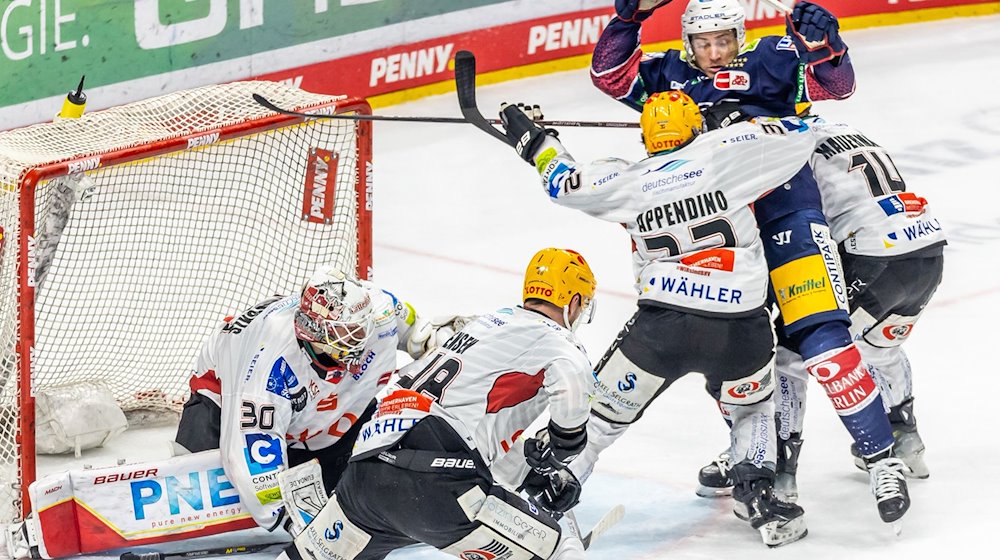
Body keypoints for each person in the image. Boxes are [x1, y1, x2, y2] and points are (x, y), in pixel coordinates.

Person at [594, 0, 910, 525]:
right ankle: (759, 459)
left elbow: (838, 85)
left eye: (723, 41)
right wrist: (627, 21)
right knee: (738, 356)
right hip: (727, 236)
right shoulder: (670, 76)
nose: (715, 53)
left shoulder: (772, 59)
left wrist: (827, 48)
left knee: (822, 338)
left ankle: (882, 459)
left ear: (739, 37)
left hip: (788, 213)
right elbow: (609, 75)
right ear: (689, 43)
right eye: (704, 43)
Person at [497, 91, 816, 546]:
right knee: (751, 408)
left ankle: (543, 504)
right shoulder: (727, 153)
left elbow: (562, 182)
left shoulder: (626, 180)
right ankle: (765, 502)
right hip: (741, 325)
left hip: (663, 328)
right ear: (696, 128)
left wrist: (534, 139)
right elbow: (804, 130)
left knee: (599, 418)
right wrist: (741, 121)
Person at [276, 248, 598, 560]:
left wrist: (533, 475)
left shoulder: (481, 327)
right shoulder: (559, 340)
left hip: (365, 474)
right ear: (572, 302)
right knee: (557, 547)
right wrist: (563, 445)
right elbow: (570, 393)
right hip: (438, 486)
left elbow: (462, 421)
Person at [697, 113, 946, 503]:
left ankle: (781, 467)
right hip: (925, 248)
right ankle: (906, 438)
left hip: (872, 256)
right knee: (881, 347)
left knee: (790, 356)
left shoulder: (784, 142)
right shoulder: (843, 125)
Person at [173, 265, 465, 533]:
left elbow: (420, 333)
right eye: (347, 334)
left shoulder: (380, 309)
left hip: (326, 408)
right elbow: (253, 453)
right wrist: (290, 520)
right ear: (313, 330)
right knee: (206, 487)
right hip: (224, 397)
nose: (360, 341)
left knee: (366, 473)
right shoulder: (267, 365)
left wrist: (441, 340)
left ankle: (317, 454)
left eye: (361, 329)